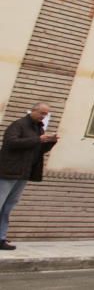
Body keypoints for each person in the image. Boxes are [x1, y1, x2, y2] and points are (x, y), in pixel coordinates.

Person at [0, 103, 58, 250]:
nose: (43, 116)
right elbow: (11, 142)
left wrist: (50, 142)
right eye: (41, 113)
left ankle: (1, 238)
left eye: (46, 114)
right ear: (32, 110)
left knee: (8, 207)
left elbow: (37, 150)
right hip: (8, 171)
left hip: (23, 174)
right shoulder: (18, 124)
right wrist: (38, 139)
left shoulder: (39, 128)